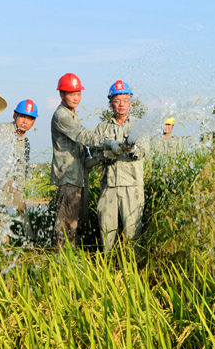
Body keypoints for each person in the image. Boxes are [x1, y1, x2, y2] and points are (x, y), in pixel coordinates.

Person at [51, 73, 127, 249]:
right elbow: (83, 136)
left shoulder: (72, 113)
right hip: (68, 177)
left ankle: (72, 258)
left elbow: (82, 151)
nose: (76, 98)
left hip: (78, 176)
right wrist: (110, 143)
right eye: (71, 94)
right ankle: (62, 260)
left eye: (78, 93)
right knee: (66, 225)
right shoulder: (61, 116)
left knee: (76, 223)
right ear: (61, 94)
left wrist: (103, 155)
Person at [92, 80, 145, 250]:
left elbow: (143, 151)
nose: (121, 104)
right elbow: (93, 153)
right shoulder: (102, 128)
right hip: (109, 187)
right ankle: (107, 263)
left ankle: (132, 264)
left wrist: (132, 149)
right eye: (117, 100)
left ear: (130, 102)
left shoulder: (139, 125)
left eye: (125, 100)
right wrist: (108, 154)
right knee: (106, 232)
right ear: (110, 103)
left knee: (133, 233)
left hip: (132, 186)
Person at [0, 99, 38, 212]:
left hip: (5, 188)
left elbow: (21, 170)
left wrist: (19, 197)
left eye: (29, 118)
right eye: (22, 116)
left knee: (3, 217)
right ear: (15, 115)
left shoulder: (25, 143)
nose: (25, 121)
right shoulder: (2, 130)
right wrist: (6, 181)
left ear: (33, 122)